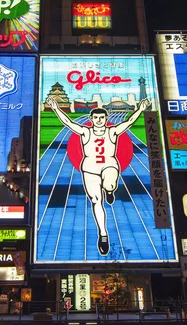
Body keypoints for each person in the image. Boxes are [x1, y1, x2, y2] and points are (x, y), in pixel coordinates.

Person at [47, 96, 151, 256]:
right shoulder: (85, 132)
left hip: (109, 164)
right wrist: (55, 108)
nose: (99, 120)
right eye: (96, 117)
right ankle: (103, 234)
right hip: (90, 169)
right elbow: (68, 123)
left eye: (102, 117)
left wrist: (141, 108)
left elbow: (129, 122)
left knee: (109, 184)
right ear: (91, 119)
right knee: (96, 201)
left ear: (106, 118)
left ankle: (109, 190)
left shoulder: (113, 131)